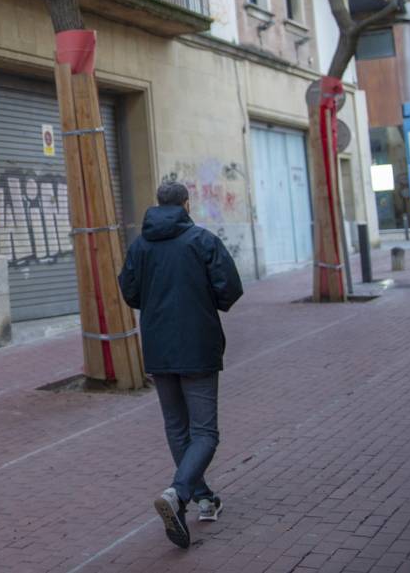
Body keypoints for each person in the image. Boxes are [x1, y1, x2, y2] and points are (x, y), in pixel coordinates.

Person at [118, 180, 243, 549]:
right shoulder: (202, 241)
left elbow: (129, 291)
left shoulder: (140, 245)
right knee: (205, 432)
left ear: (158, 204)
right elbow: (230, 288)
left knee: (177, 427)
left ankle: (203, 497)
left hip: (159, 348)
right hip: (198, 346)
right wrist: (205, 301)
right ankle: (178, 494)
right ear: (186, 204)